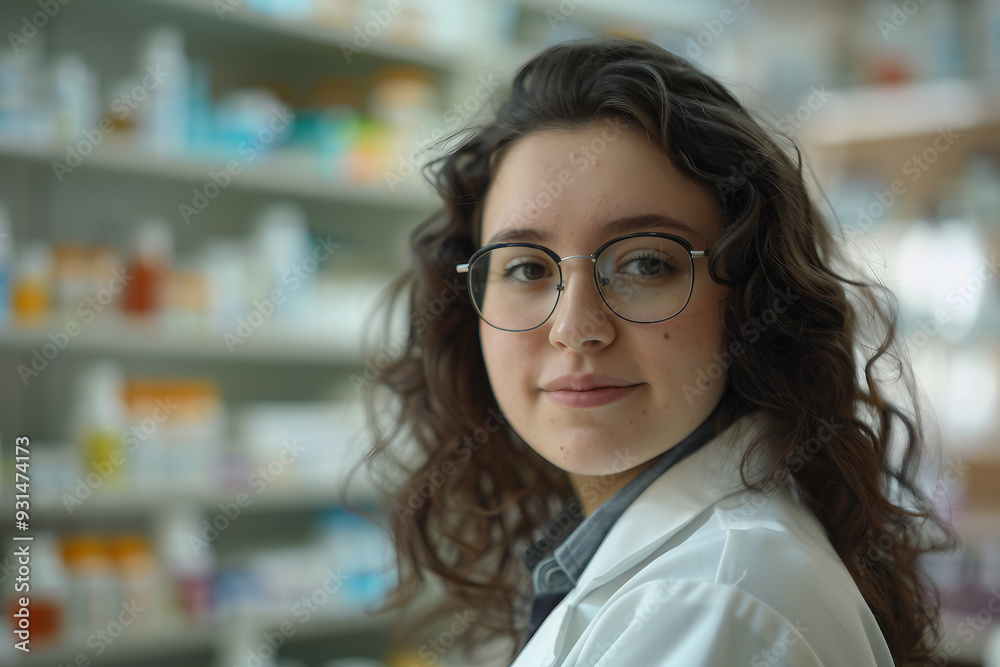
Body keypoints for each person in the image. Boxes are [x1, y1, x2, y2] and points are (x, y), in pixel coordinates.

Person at [352, 36, 959, 666]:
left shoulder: (714, 605)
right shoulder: (638, 558)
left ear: (752, 295)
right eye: (527, 268)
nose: (574, 328)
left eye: (645, 262)